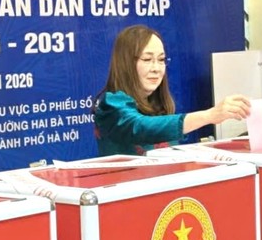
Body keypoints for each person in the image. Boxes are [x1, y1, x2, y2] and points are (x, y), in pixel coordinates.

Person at [93, 25, 251, 155]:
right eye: (147, 59)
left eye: (161, 60)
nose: (156, 68)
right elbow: (141, 127)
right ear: (126, 63)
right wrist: (209, 115)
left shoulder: (157, 104)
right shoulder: (111, 104)